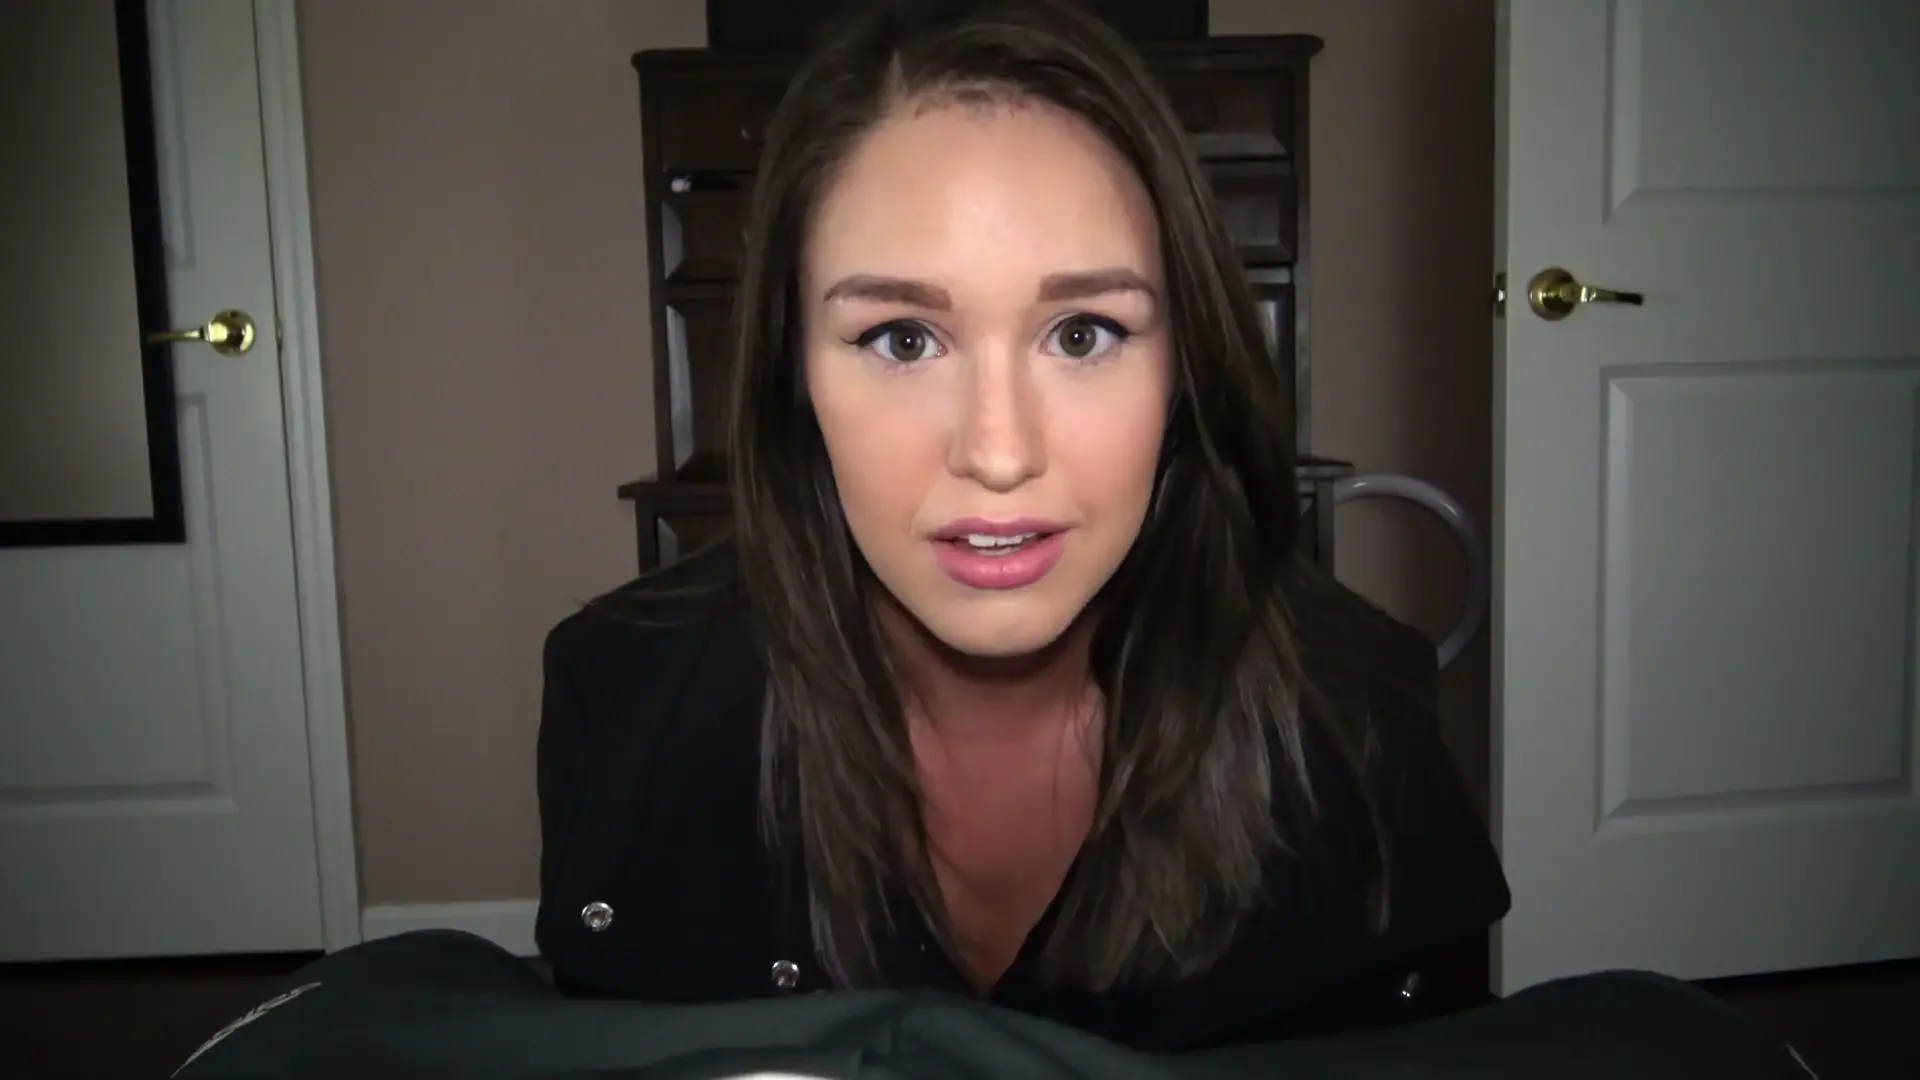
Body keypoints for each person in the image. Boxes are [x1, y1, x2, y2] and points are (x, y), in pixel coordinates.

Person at [535, 0, 1509, 1054]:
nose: (998, 454)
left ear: (1185, 371)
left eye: (1083, 334)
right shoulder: (629, 705)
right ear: (791, 374)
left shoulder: (1359, 727)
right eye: (903, 339)